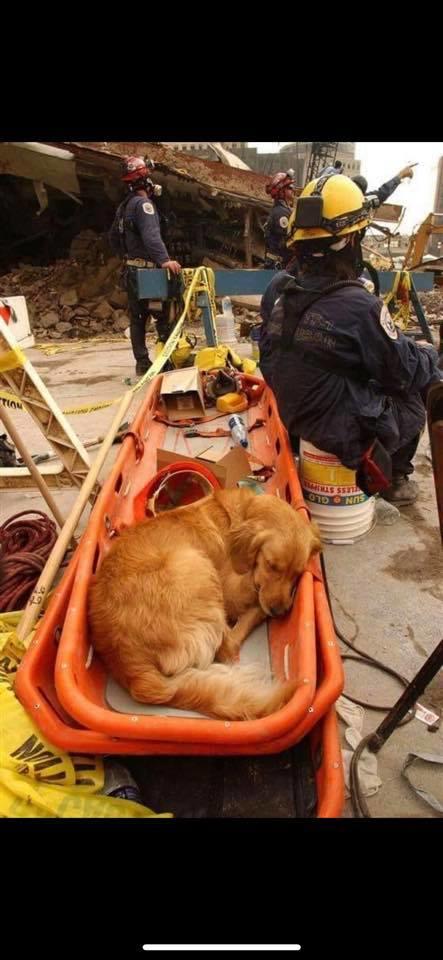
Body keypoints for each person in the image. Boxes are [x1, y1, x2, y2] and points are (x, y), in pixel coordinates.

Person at [266, 173, 441, 505]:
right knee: (418, 390)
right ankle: (393, 478)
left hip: (292, 415)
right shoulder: (359, 306)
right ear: (351, 240)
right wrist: (427, 352)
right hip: (335, 430)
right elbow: (405, 371)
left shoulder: (281, 290)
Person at [108, 156, 181, 376]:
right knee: (163, 316)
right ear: (144, 180)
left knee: (138, 318)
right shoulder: (144, 205)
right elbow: (152, 236)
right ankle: (165, 360)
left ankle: (142, 362)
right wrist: (164, 260)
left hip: (131, 271)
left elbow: (113, 238)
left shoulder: (124, 208)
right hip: (149, 272)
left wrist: (128, 257)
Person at [263, 170, 296, 270]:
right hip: (277, 266)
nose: (293, 190)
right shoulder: (281, 213)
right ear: (282, 191)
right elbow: (287, 240)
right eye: (290, 187)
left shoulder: (281, 210)